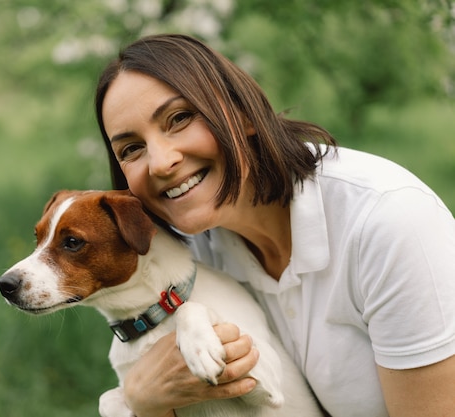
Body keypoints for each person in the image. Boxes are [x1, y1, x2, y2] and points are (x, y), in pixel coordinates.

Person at [93, 33, 455, 417]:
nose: (161, 162)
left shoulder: (387, 221)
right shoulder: (188, 253)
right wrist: (141, 402)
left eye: (180, 118)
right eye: (131, 149)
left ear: (243, 113)